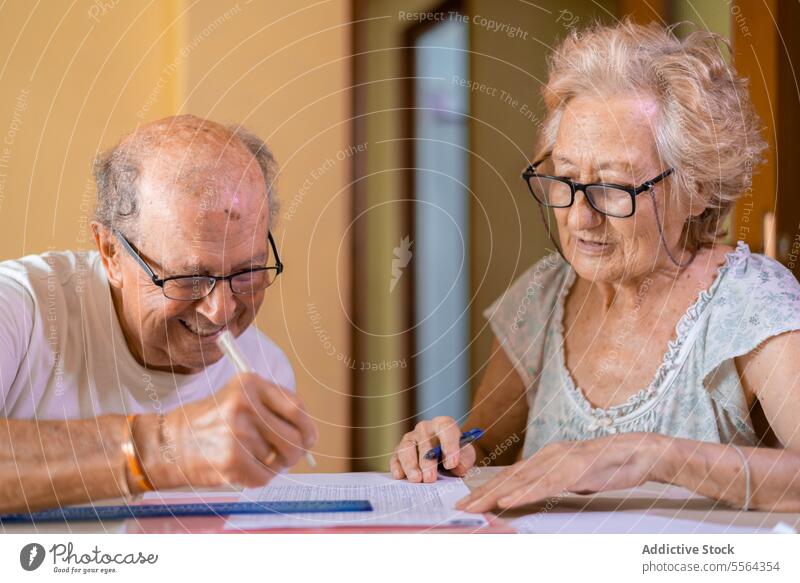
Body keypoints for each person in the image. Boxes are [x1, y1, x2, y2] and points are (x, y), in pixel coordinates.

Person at [391, 20, 800, 513]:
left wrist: (649, 455)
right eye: (564, 179)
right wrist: (441, 447)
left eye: (614, 186)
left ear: (697, 189)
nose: (580, 217)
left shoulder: (749, 301)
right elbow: (480, 446)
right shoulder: (541, 296)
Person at [0, 115, 317, 513]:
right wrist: (161, 446)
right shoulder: (21, 308)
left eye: (247, 271)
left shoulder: (264, 368)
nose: (221, 310)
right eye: (189, 276)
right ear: (111, 252)